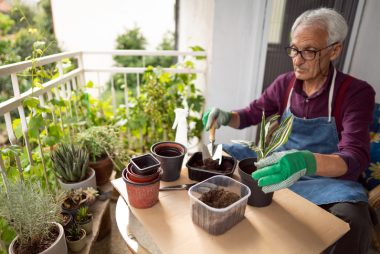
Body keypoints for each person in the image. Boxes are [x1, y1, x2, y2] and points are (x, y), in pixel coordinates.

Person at [203, 8, 375, 254]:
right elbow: (252, 113)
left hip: (328, 181)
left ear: (334, 50)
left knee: (353, 222)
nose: (297, 59)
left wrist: (306, 161)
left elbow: (355, 159)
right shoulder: (285, 84)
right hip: (280, 167)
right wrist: (225, 116)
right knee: (217, 156)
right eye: (294, 49)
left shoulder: (355, 93)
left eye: (309, 51)